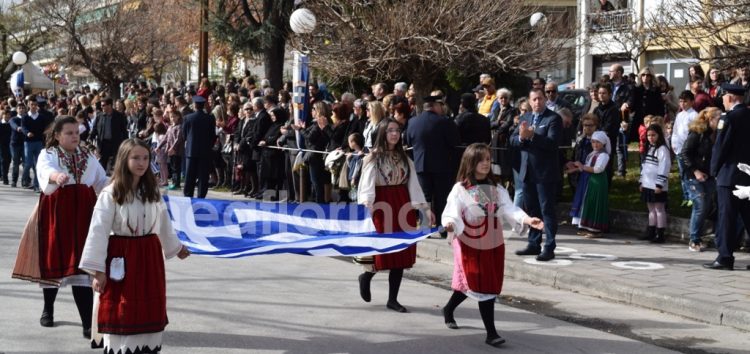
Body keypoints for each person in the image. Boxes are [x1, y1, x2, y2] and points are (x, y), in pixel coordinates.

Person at [79, 138, 190, 352]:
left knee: (149, 305)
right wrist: (97, 271)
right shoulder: (111, 193)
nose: (141, 163)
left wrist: (176, 247)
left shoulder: (152, 191)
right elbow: (98, 231)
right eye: (135, 158)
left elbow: (164, 222)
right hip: (121, 256)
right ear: (124, 159)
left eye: (146, 158)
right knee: (123, 308)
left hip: (149, 257)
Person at [441, 143, 543, 348]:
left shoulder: (496, 188)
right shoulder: (460, 189)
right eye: (481, 159)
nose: (486, 163)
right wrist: (450, 223)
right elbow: (452, 210)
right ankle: (491, 333)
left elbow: (508, 208)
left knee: (480, 282)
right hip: (469, 240)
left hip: (492, 240)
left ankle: (448, 309)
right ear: (470, 162)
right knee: (479, 280)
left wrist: (526, 219)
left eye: (488, 159)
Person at [19, 116, 108, 338]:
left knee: (83, 264)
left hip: (85, 213)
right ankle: (48, 308)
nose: (74, 136)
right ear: (57, 135)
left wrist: (122, 183)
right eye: (69, 133)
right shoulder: (48, 154)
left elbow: (101, 181)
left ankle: (88, 323)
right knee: (54, 259)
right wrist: (56, 175)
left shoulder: (87, 155)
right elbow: (46, 171)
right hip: (57, 213)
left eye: (77, 132)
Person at [357, 118, 433, 313]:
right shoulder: (373, 158)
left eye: (397, 130)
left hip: (402, 203)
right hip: (382, 206)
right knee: (382, 250)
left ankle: (393, 299)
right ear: (383, 132)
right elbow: (367, 185)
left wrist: (425, 210)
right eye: (390, 130)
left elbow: (414, 185)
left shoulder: (404, 157)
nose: (394, 134)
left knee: (401, 253)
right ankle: (366, 276)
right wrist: (367, 208)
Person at [511, 89, 563, 261]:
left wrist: (532, 135)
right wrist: (521, 137)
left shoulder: (553, 118)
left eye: (540, 99)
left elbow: (552, 143)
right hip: (527, 172)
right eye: (534, 99)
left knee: (546, 210)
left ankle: (549, 246)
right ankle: (534, 244)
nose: (537, 102)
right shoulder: (525, 118)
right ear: (529, 101)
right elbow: (512, 140)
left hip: (545, 173)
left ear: (545, 100)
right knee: (532, 209)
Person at [704, 84, 750, 270]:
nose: (722, 99)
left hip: (730, 176)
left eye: (723, 96)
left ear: (730, 97)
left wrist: (714, 170)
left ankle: (725, 257)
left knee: (727, 218)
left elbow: (721, 147)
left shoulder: (729, 118)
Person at [405, 95, 461, 237]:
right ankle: (442, 228)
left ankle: (425, 227)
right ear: (435, 106)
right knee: (442, 196)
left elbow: (408, 142)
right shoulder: (445, 122)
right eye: (440, 105)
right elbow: (454, 142)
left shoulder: (413, 122)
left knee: (425, 197)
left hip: (421, 164)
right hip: (442, 164)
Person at [680, 107, 720, 252]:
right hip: (694, 175)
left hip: (709, 175)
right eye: (717, 118)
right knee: (700, 204)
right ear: (710, 119)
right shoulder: (697, 133)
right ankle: (694, 239)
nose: (720, 121)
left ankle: (701, 236)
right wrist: (695, 171)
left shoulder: (716, 134)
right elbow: (684, 153)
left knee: (707, 206)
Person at [568, 131, 610, 236]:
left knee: (593, 202)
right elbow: (588, 167)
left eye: (598, 142)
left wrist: (582, 166)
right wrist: (576, 169)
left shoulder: (604, 155)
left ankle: (595, 228)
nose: (595, 145)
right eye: (593, 142)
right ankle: (585, 226)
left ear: (603, 143)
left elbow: (598, 169)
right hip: (588, 180)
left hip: (597, 181)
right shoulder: (592, 154)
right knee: (586, 202)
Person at [639, 124, 671, 243]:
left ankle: (660, 233)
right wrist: (642, 181)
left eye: (653, 135)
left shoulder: (662, 149)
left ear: (659, 135)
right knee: (651, 209)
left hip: (657, 185)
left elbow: (664, 167)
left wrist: (659, 184)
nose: (650, 137)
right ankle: (651, 231)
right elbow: (645, 167)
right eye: (648, 135)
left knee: (659, 209)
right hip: (647, 183)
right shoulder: (650, 148)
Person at [182, 95, 216, 198]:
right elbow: (213, 135)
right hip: (205, 151)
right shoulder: (210, 118)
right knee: (203, 177)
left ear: (194, 105)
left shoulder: (188, 118)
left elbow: (184, 134)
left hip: (191, 151)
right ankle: (201, 197)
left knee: (189, 176)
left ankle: (188, 196)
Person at [671, 91, 698, 207]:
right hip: (679, 149)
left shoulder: (694, 115)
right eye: (681, 101)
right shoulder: (679, 115)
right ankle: (686, 195)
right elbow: (675, 131)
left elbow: (694, 134)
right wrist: (674, 144)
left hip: (689, 150)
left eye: (685, 101)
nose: (683, 104)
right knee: (683, 174)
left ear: (692, 101)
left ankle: (693, 196)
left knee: (690, 174)